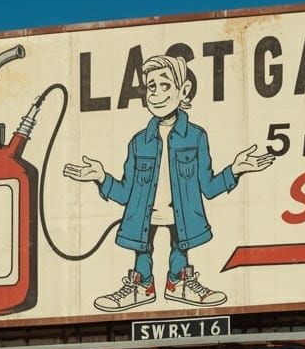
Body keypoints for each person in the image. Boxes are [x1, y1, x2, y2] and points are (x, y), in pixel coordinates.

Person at [64, 53, 274, 310]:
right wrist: (101, 178)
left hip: (183, 214)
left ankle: (179, 282)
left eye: (165, 85)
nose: (157, 93)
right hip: (143, 215)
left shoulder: (196, 137)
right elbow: (125, 193)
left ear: (183, 90)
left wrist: (236, 171)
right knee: (143, 249)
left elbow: (208, 188)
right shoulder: (138, 141)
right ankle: (141, 285)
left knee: (179, 246)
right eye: (152, 86)